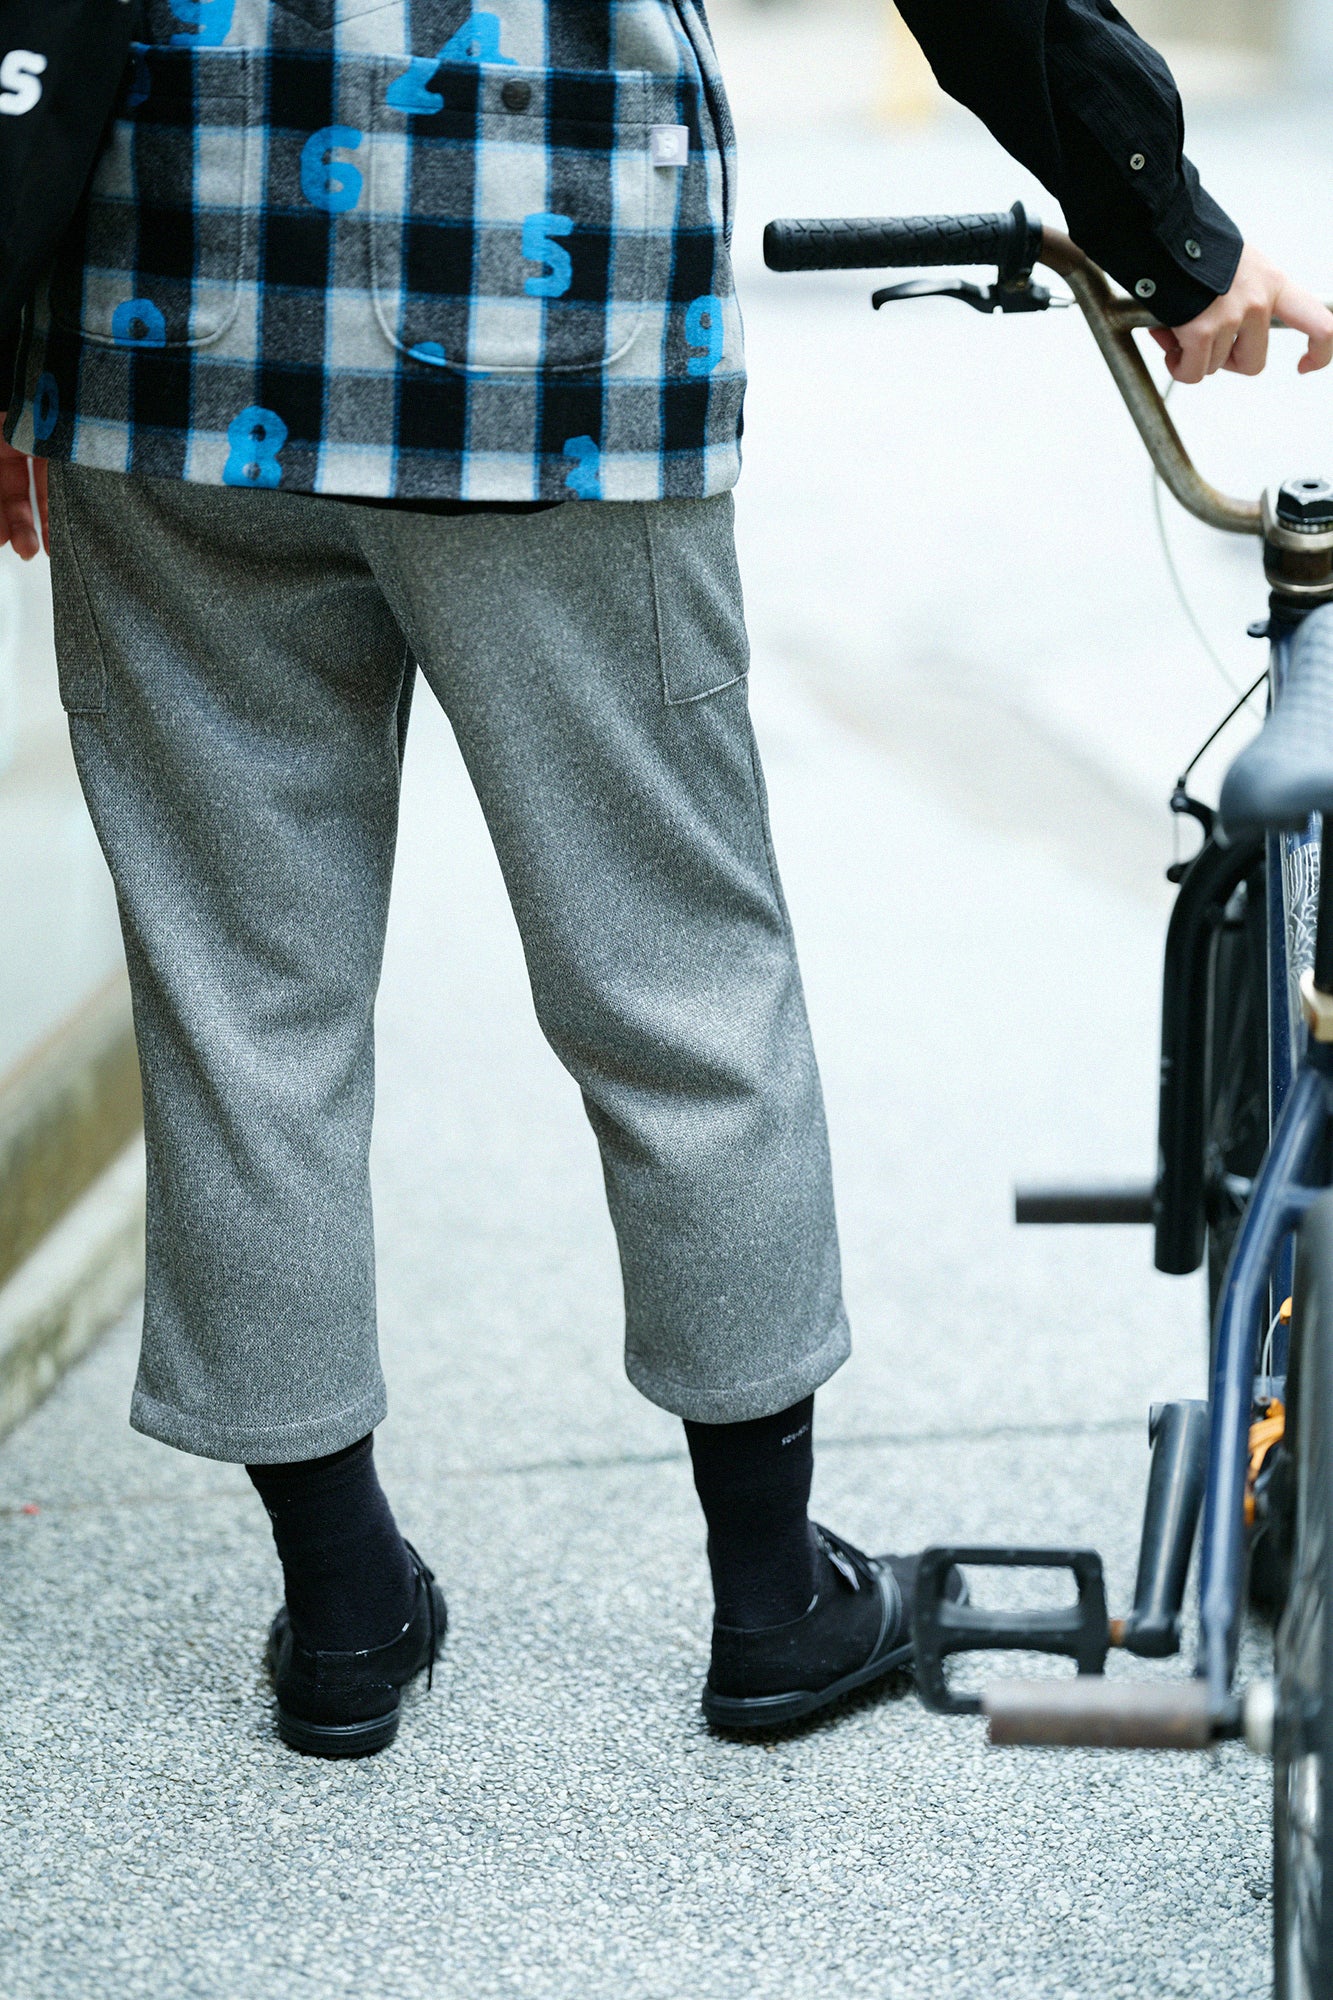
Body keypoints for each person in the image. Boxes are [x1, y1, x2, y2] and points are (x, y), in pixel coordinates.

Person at [1, 0, 1330, 1759]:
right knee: (674, 973)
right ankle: (773, 1602)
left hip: (160, 323)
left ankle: (340, 1611)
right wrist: (1169, 233)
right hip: (544, 323)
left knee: (237, 998)